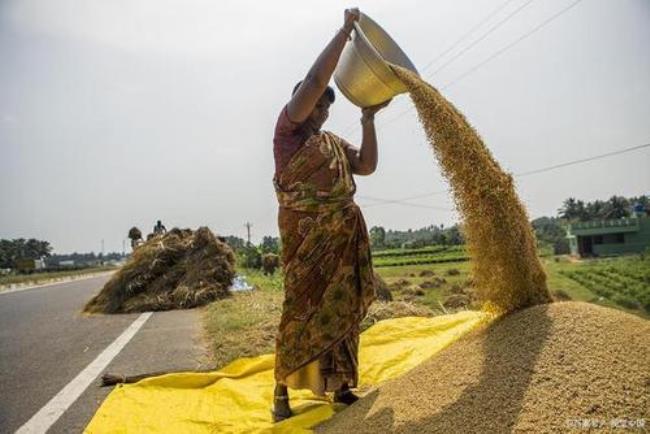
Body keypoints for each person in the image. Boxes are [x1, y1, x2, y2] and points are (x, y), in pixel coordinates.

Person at [271, 8, 390, 422]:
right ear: (302, 101)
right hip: (308, 245)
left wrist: (368, 119)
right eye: (317, 105)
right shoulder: (287, 132)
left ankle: (339, 389)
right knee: (300, 310)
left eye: (325, 109)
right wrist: (344, 33)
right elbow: (316, 79)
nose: (321, 112)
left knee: (341, 311)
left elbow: (368, 165)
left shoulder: (331, 140)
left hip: (341, 242)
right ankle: (281, 393)